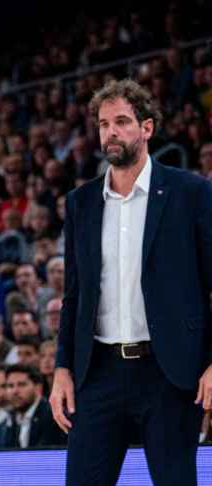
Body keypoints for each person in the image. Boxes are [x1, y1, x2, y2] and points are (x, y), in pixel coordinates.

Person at [50, 78, 212, 486]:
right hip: (98, 373)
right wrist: (62, 367)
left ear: (147, 128)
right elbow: (74, 295)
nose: (111, 132)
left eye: (122, 121)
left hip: (169, 373)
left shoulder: (190, 192)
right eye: (104, 124)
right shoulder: (81, 203)